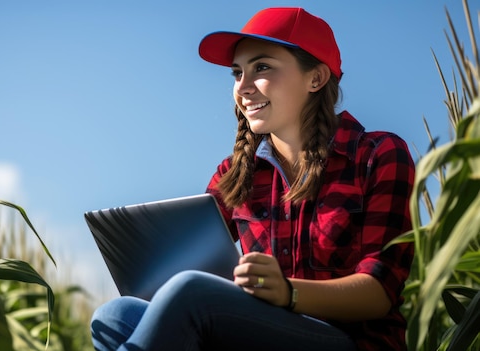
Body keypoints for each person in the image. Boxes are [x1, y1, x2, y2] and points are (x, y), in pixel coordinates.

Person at [90, 7, 415, 351]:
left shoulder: (378, 154)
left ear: (316, 78)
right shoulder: (233, 174)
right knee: (116, 314)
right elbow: (191, 272)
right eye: (236, 73)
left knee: (191, 294)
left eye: (261, 68)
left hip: (351, 342)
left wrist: (287, 292)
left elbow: (379, 292)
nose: (242, 87)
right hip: (258, 334)